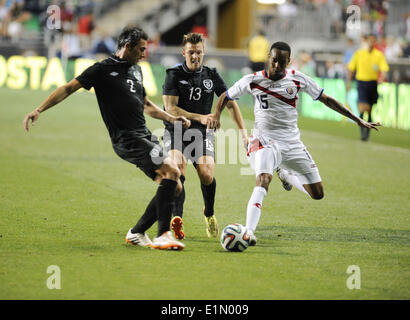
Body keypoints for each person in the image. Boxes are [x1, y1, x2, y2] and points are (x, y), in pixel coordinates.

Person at [23, 27, 191, 251]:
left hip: (143, 135)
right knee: (172, 170)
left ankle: (137, 232)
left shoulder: (136, 71)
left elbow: (147, 106)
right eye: (140, 49)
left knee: (174, 186)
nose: (144, 54)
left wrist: (171, 118)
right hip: (126, 138)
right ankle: (162, 234)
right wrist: (39, 109)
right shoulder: (102, 69)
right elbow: (67, 88)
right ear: (127, 47)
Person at [209, 41, 381, 246]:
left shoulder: (297, 79)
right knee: (263, 179)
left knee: (318, 194)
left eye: (281, 62)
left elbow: (326, 99)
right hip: (264, 140)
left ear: (288, 61)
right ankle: (249, 232)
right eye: (274, 60)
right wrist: (216, 115)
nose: (276, 65)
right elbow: (224, 96)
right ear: (268, 57)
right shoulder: (252, 81)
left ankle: (286, 175)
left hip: (292, 143)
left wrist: (357, 119)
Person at [162, 32, 248, 240]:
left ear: (204, 52)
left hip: (201, 133)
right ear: (184, 52)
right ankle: (177, 219)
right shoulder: (173, 74)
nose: (195, 57)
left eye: (198, 53)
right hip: (176, 130)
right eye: (191, 52)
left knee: (207, 174)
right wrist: (201, 117)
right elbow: (170, 108)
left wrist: (243, 133)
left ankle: (209, 213)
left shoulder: (211, 75)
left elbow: (230, 102)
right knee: (177, 168)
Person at [346, 34, 389, 141]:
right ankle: (362, 135)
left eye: (373, 41)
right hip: (361, 83)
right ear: (366, 42)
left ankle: (367, 134)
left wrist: (381, 78)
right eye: (369, 41)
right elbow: (351, 68)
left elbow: (384, 68)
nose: (371, 43)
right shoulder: (359, 53)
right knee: (362, 108)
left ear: (375, 42)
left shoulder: (378, 55)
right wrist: (348, 82)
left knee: (369, 110)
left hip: (372, 84)